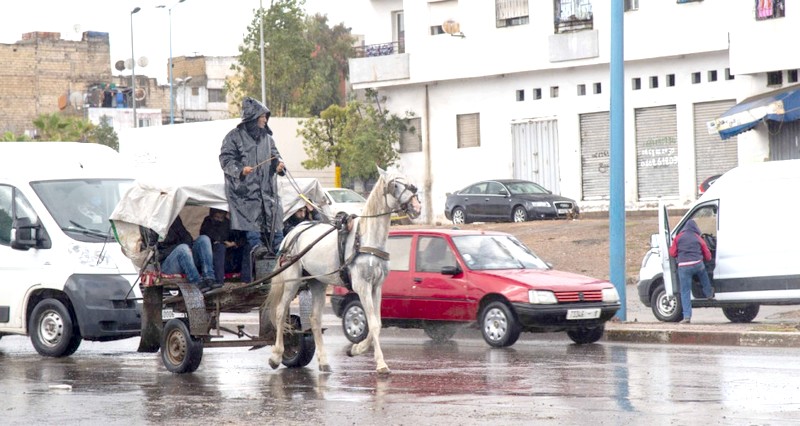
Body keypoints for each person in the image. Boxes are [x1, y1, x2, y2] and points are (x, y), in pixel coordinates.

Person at [219, 97, 285, 283]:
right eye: (262, 117)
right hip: (245, 195)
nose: (265, 120)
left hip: (267, 194)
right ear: (253, 117)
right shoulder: (233, 137)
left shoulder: (268, 139)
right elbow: (226, 160)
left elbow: (276, 157)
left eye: (266, 117)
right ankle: (258, 252)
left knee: (276, 228)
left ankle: (281, 255)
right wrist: (240, 170)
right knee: (253, 229)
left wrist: (279, 165)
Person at [669, 219, 714, 324]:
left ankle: (687, 317)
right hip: (697, 264)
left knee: (685, 292)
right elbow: (707, 255)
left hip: (684, 267)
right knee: (703, 274)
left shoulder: (678, 237)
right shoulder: (697, 237)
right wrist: (707, 259)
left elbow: (672, 253)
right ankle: (708, 293)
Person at [158, 216, 221, 291]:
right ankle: (196, 282)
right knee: (182, 248)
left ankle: (209, 278)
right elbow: (156, 254)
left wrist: (188, 248)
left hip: (184, 255)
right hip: (167, 265)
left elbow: (187, 237)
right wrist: (179, 249)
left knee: (204, 239)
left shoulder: (174, 219)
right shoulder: (151, 225)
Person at [199, 207, 246, 284]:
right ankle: (218, 281)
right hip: (210, 258)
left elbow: (241, 238)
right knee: (219, 247)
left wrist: (233, 244)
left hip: (228, 259)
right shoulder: (208, 222)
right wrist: (219, 242)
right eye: (217, 217)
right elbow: (205, 236)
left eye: (221, 217)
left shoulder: (228, 223)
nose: (219, 220)